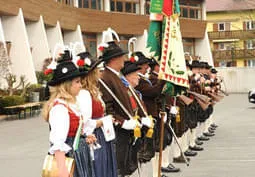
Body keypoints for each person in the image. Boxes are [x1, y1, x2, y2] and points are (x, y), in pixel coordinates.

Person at [42, 50, 96, 177]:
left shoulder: (70, 104)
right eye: (77, 82)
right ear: (67, 85)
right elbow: (58, 143)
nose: (80, 85)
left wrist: (85, 138)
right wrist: (63, 170)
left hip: (79, 155)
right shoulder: (59, 109)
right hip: (71, 157)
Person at [99, 41, 142, 177]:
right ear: (113, 59)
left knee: (125, 166)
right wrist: (123, 122)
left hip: (125, 130)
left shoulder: (116, 76)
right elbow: (108, 107)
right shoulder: (106, 78)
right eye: (121, 56)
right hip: (117, 131)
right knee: (118, 168)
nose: (124, 59)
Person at [76, 51, 118, 177]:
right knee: (98, 168)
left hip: (102, 134)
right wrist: (104, 121)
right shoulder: (84, 94)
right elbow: (84, 122)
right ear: (90, 74)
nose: (100, 73)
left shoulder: (93, 90)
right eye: (97, 70)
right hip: (94, 135)